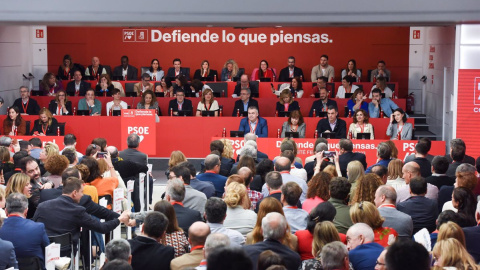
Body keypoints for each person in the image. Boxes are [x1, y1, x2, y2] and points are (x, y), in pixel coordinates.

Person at [33, 177, 129, 254]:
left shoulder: (42, 206)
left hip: (43, 250)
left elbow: (34, 225)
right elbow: (102, 228)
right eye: (82, 192)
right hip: (65, 252)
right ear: (74, 193)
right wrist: (120, 219)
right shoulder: (77, 211)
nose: (83, 195)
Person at [0, 193, 50, 266]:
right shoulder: (38, 227)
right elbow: (48, 251)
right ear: (26, 211)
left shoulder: (1, 228)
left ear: (6, 211)